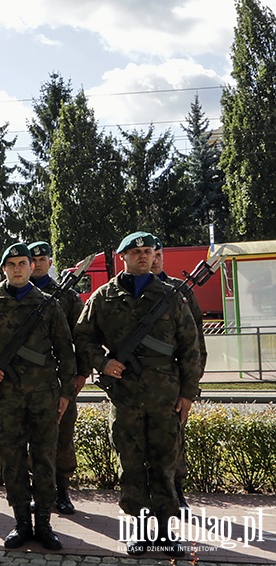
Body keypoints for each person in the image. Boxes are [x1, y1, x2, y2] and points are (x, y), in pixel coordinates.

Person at [74, 231, 201, 557]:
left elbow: (191, 347)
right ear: (123, 257)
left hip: (165, 399)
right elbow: (82, 339)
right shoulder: (103, 298)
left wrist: (188, 393)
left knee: (164, 465)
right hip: (126, 398)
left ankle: (165, 532)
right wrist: (103, 362)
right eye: (137, 252)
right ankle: (141, 530)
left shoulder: (172, 296)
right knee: (131, 467)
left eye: (148, 251)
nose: (143, 256)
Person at [0, 242, 75, 551]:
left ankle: (45, 524)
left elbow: (65, 350)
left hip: (44, 394)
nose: (17, 268)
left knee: (44, 458)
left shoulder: (49, 304)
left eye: (22, 263)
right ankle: (22, 522)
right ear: (4, 269)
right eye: (11, 264)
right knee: (12, 458)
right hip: (8, 395)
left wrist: (66, 392)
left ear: (32, 266)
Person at [27, 241, 86, 515]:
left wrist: (82, 373)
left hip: (59, 378)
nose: (37, 263)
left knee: (62, 437)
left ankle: (62, 490)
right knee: (29, 438)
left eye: (42, 259)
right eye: (33, 259)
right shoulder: (16, 294)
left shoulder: (68, 297)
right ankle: (35, 490)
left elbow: (82, 338)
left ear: (51, 263)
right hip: (25, 381)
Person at [150, 236, 207, 511]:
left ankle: (177, 491)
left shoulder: (179, 290)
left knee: (174, 442)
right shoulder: (130, 292)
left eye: (158, 253)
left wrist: (190, 387)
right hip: (138, 383)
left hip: (171, 382)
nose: (155, 258)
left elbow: (195, 340)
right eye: (150, 253)